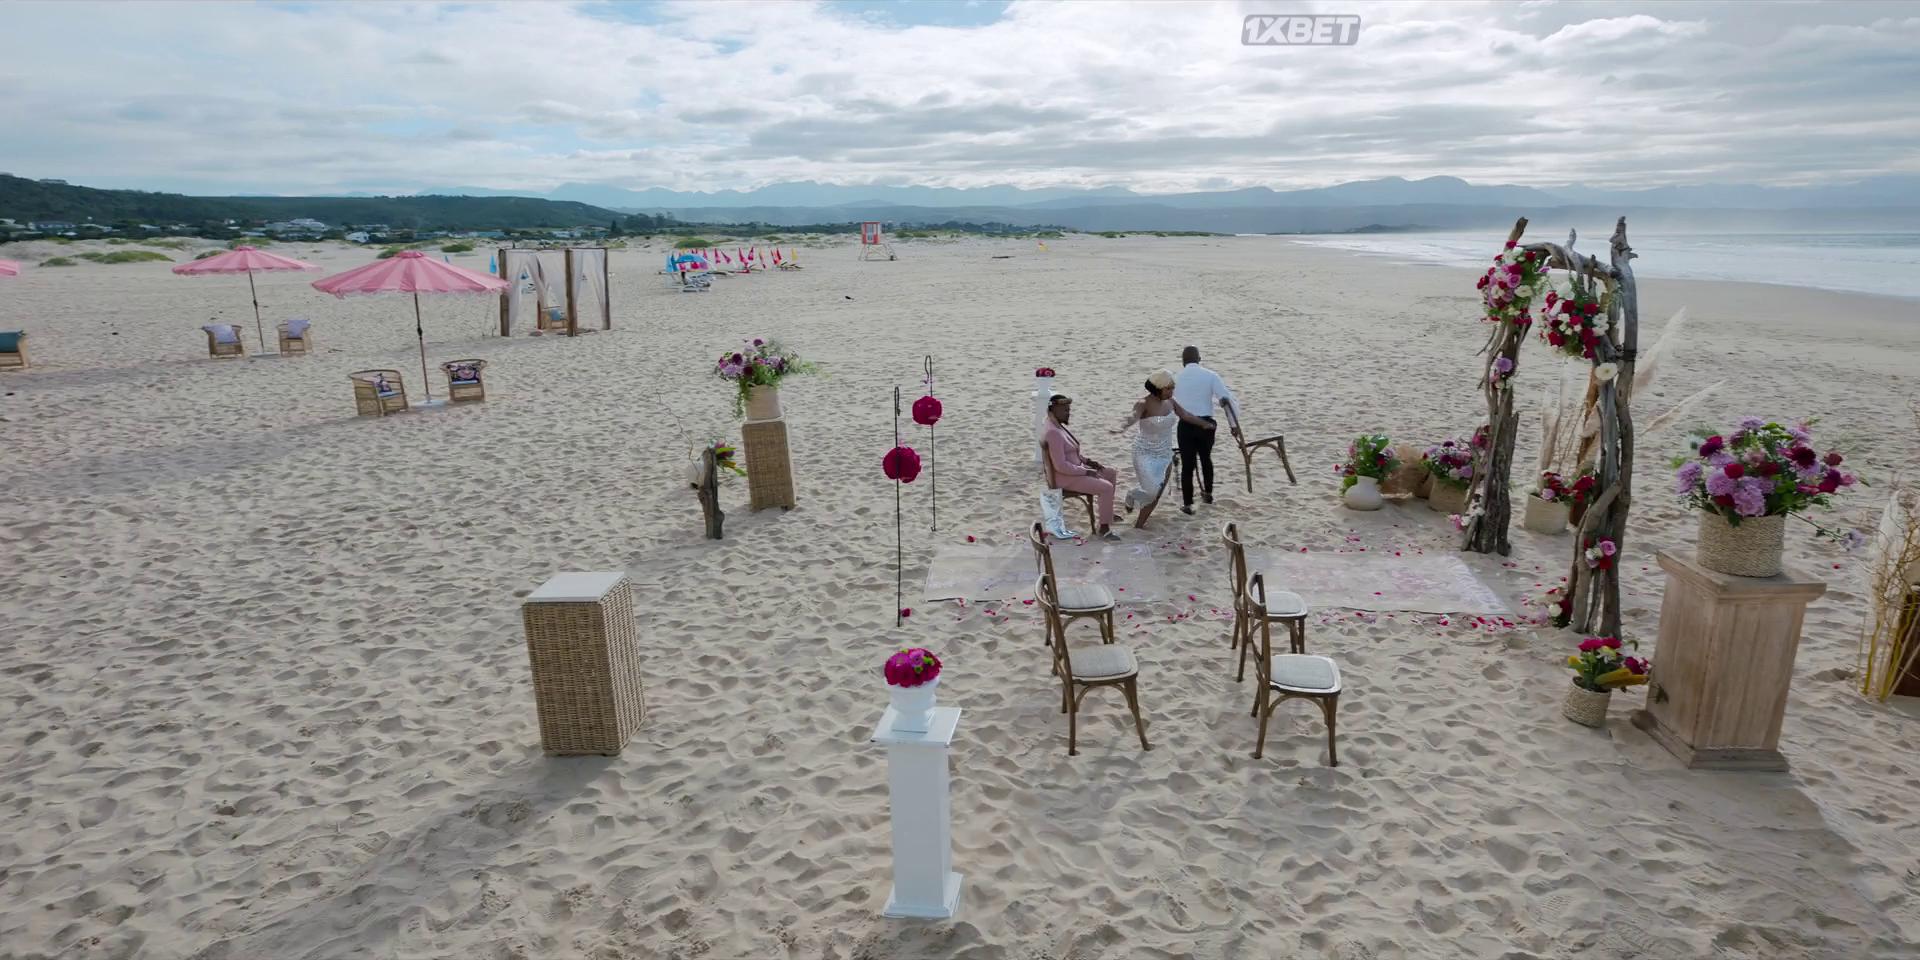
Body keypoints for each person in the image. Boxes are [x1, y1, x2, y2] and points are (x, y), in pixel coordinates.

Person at [1115, 369, 1210, 528]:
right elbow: (1132, 416)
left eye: (1173, 388)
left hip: (1165, 454)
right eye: (1168, 389)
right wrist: (1122, 426)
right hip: (1144, 452)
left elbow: (1185, 415)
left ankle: (1139, 525)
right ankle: (1132, 494)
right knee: (1151, 491)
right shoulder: (1143, 403)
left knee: (1156, 494)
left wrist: (1204, 423)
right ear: (1157, 388)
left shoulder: (1171, 402)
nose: (1172, 392)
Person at [1042, 392, 1122, 540]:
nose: (1068, 413)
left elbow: (1071, 452)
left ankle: (1107, 514)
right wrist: (1085, 471)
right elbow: (1061, 466)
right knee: (1106, 487)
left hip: (1075, 471)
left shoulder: (1056, 425)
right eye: (1065, 410)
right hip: (1065, 478)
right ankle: (1104, 529)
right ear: (1053, 410)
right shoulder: (1053, 432)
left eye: (1069, 410)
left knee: (1110, 473)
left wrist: (1088, 462)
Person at [1172, 346, 1242, 514]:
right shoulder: (1211, 375)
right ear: (1199, 359)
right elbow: (1226, 400)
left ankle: (1188, 503)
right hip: (1206, 424)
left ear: (1183, 361)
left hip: (1185, 425)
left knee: (1188, 464)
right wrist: (1233, 425)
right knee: (1206, 459)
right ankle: (1208, 493)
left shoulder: (1176, 378)